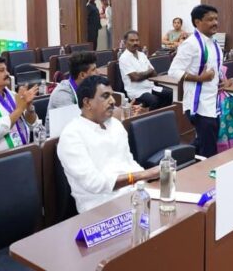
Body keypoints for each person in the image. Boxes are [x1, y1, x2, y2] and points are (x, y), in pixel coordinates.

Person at [57, 75, 160, 213]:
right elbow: (94, 184)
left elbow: (129, 163)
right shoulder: (71, 135)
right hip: (99, 206)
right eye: (105, 96)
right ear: (87, 102)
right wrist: (143, 175)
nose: (112, 101)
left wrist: (147, 183)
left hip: (134, 195)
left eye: (111, 95)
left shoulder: (116, 125)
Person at [168, 4, 233, 157]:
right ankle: (205, 170)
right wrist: (199, 78)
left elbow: (215, 69)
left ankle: (182, 158)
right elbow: (173, 71)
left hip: (213, 101)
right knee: (209, 148)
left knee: (206, 140)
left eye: (216, 19)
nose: (215, 23)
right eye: (210, 20)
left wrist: (224, 81)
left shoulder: (214, 43)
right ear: (197, 22)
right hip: (198, 104)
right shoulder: (190, 44)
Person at [119, 30, 172, 110]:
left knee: (170, 94)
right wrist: (148, 72)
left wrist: (143, 74)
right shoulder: (124, 58)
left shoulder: (142, 55)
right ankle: (152, 117)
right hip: (136, 91)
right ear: (125, 42)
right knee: (154, 100)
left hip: (150, 87)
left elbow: (154, 74)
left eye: (137, 40)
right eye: (132, 41)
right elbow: (135, 78)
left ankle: (163, 114)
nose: (135, 43)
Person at [45, 51, 97, 131]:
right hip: (59, 137)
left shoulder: (87, 88)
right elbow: (76, 125)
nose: (98, 73)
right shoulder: (62, 93)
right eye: (93, 70)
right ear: (82, 75)